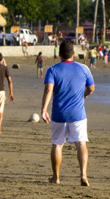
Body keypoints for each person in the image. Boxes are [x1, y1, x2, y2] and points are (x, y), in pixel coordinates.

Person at [41, 40, 95, 185]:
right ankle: (83, 175)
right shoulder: (84, 68)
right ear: (73, 53)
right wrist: (84, 95)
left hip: (59, 113)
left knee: (57, 144)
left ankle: (56, 177)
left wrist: (44, 109)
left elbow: (48, 90)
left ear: (59, 54)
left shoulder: (52, 70)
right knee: (81, 143)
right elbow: (91, 88)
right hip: (78, 114)